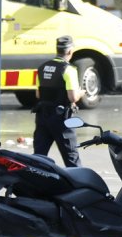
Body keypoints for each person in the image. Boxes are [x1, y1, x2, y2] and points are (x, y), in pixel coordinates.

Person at [33, 35, 84, 167]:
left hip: (43, 117)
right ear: (70, 51)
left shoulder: (42, 67)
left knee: (38, 158)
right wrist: (81, 93)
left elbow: (38, 94)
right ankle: (79, 186)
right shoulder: (68, 69)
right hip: (61, 119)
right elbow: (73, 97)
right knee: (71, 158)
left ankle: (35, 185)